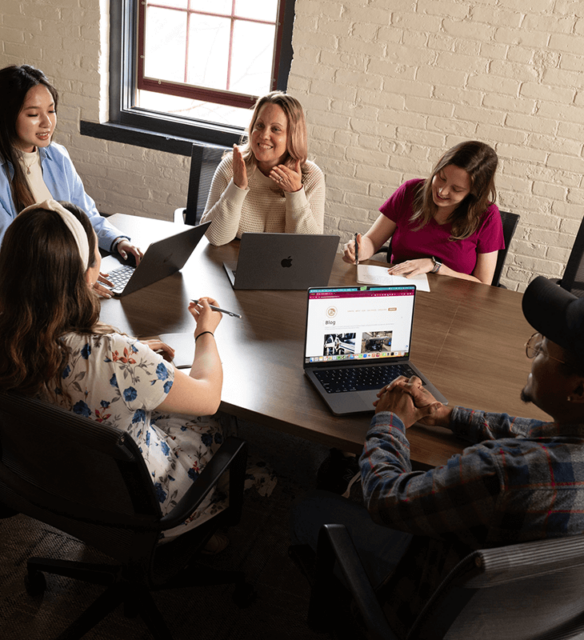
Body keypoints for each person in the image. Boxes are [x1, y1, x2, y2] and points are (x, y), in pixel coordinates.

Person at [292, 275, 584, 636]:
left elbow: (386, 499)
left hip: (429, 605)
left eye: (541, 349)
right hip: (525, 616)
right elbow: (542, 435)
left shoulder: (501, 472)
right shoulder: (566, 451)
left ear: (579, 388)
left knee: (309, 509)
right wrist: (447, 415)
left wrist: (390, 422)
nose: (533, 353)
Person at [0, 200, 225, 542]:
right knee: (218, 422)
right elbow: (208, 396)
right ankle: (199, 525)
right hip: (139, 508)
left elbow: (57, 348)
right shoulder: (115, 355)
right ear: (88, 274)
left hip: (40, 477)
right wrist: (205, 331)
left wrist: (136, 353)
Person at [0, 64, 142, 299]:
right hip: (5, 286)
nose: (47, 123)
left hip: (64, 278)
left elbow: (85, 217)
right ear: (7, 115)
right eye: (33, 114)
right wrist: (72, 281)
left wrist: (118, 242)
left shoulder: (57, 156)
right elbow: (5, 253)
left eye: (51, 111)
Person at [343, 141, 505, 285]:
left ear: (474, 192)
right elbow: (372, 240)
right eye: (441, 178)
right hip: (400, 288)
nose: (442, 191)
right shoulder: (410, 191)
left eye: (456, 189)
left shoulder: (487, 216)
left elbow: (483, 284)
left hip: (452, 303)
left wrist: (435, 266)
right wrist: (358, 251)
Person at [200, 91, 325, 246]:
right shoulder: (233, 166)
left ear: (292, 136)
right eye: (259, 126)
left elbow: (310, 247)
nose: (264, 135)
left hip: (284, 265)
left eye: (276, 129)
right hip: (232, 263)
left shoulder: (312, 176)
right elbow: (215, 238)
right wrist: (237, 187)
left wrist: (295, 194)